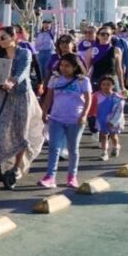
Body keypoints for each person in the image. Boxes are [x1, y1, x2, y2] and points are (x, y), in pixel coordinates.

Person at [0, 26, 45, 189]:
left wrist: (11, 82)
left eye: (4, 37)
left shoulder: (24, 53)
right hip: (3, 97)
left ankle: (16, 167)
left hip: (21, 96)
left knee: (20, 132)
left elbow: (22, 72)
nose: (0, 41)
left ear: (14, 37)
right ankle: (2, 163)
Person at [39, 53, 92, 188]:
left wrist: (84, 115)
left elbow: (88, 100)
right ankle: (50, 176)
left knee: (72, 149)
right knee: (53, 148)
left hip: (75, 119)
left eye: (67, 66)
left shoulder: (82, 81)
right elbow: (48, 97)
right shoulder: (55, 79)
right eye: (62, 65)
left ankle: (72, 176)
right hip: (56, 118)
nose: (64, 68)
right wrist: (44, 112)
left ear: (75, 67)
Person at [94, 75, 125, 160]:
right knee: (103, 136)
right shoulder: (96, 95)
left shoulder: (117, 98)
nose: (106, 87)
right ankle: (104, 153)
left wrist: (112, 121)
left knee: (113, 136)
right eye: (103, 84)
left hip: (113, 122)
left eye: (108, 84)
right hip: (102, 120)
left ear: (113, 86)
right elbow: (91, 104)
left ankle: (116, 146)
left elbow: (119, 111)